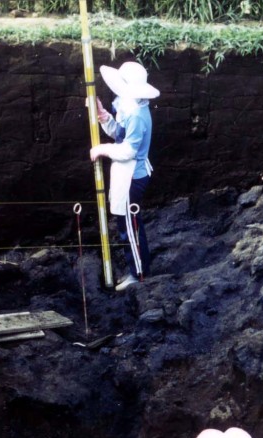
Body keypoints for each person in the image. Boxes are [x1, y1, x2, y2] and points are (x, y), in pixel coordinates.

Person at [88, 61, 159, 292]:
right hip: (126, 174)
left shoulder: (137, 115)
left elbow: (128, 150)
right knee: (129, 223)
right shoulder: (129, 106)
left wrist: (102, 149)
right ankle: (139, 268)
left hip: (132, 177)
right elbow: (119, 134)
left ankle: (139, 275)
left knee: (129, 225)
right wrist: (102, 115)